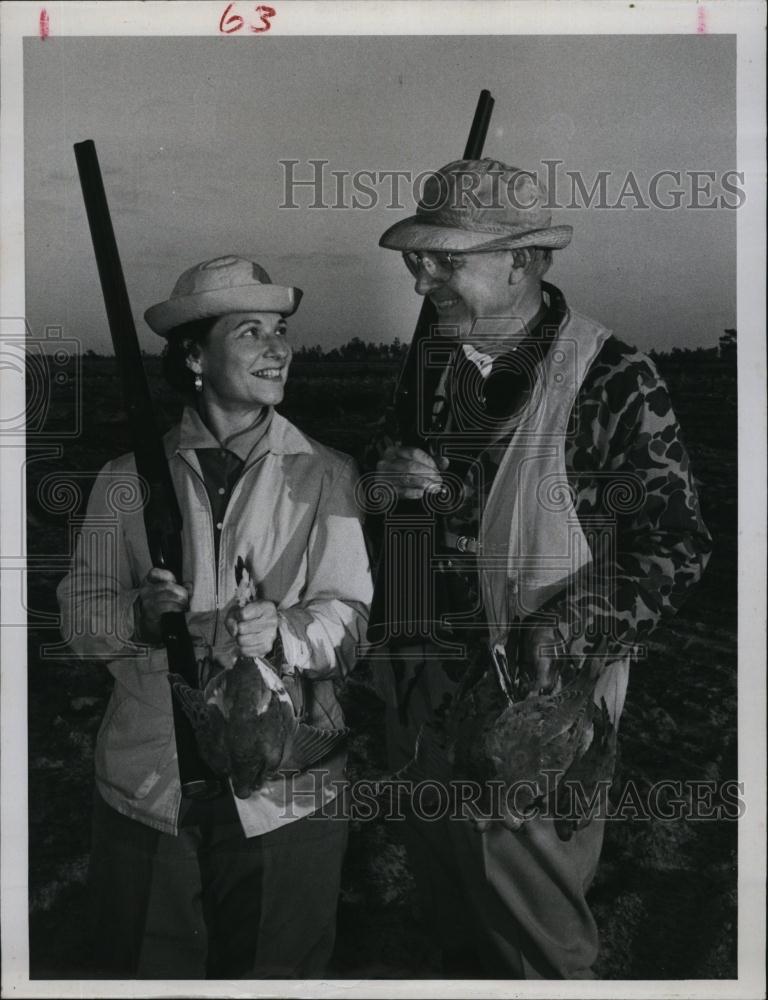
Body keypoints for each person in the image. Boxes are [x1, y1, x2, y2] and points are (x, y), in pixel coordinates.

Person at [369, 159, 712, 978]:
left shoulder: (612, 379)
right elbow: (399, 511)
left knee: (537, 949)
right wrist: (384, 482)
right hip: (422, 697)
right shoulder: (431, 371)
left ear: (521, 261)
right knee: (454, 923)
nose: (422, 280)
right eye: (418, 260)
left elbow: (676, 541)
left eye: (445, 260)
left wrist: (571, 621)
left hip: (536, 713)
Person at [57, 255, 373, 979]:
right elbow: (78, 613)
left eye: (282, 330)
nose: (277, 347)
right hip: (149, 784)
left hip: (288, 791)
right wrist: (137, 617)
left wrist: (285, 634)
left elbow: (349, 618)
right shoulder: (122, 480)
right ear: (194, 356)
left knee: (276, 970)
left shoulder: (328, 474)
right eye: (251, 331)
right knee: (145, 970)